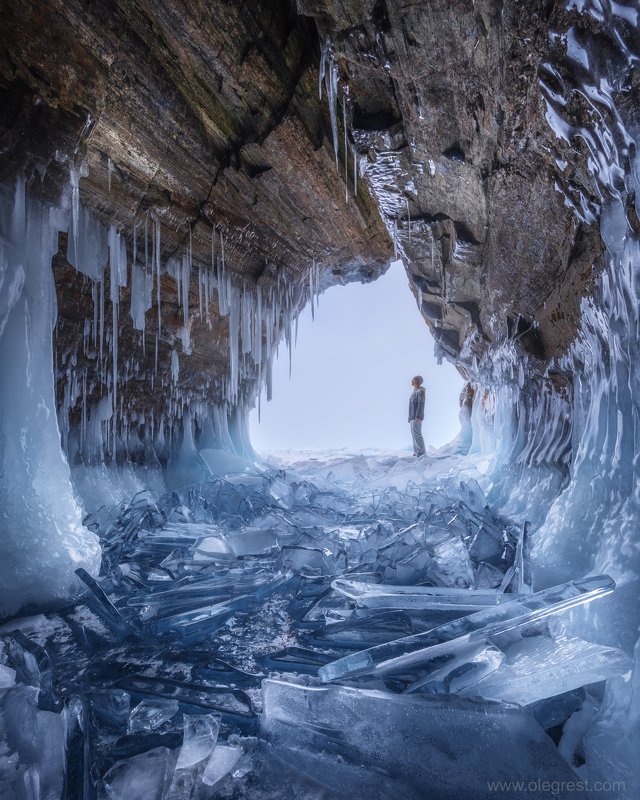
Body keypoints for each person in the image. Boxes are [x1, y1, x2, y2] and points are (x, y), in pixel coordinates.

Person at [408, 375, 426, 457]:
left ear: (417, 382)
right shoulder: (415, 391)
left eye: (413, 380)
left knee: (417, 434)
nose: (412, 381)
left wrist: (418, 416)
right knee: (413, 434)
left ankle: (421, 453)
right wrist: (410, 417)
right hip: (412, 417)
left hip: (417, 417)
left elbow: (421, 404)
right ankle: (416, 452)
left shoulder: (420, 391)